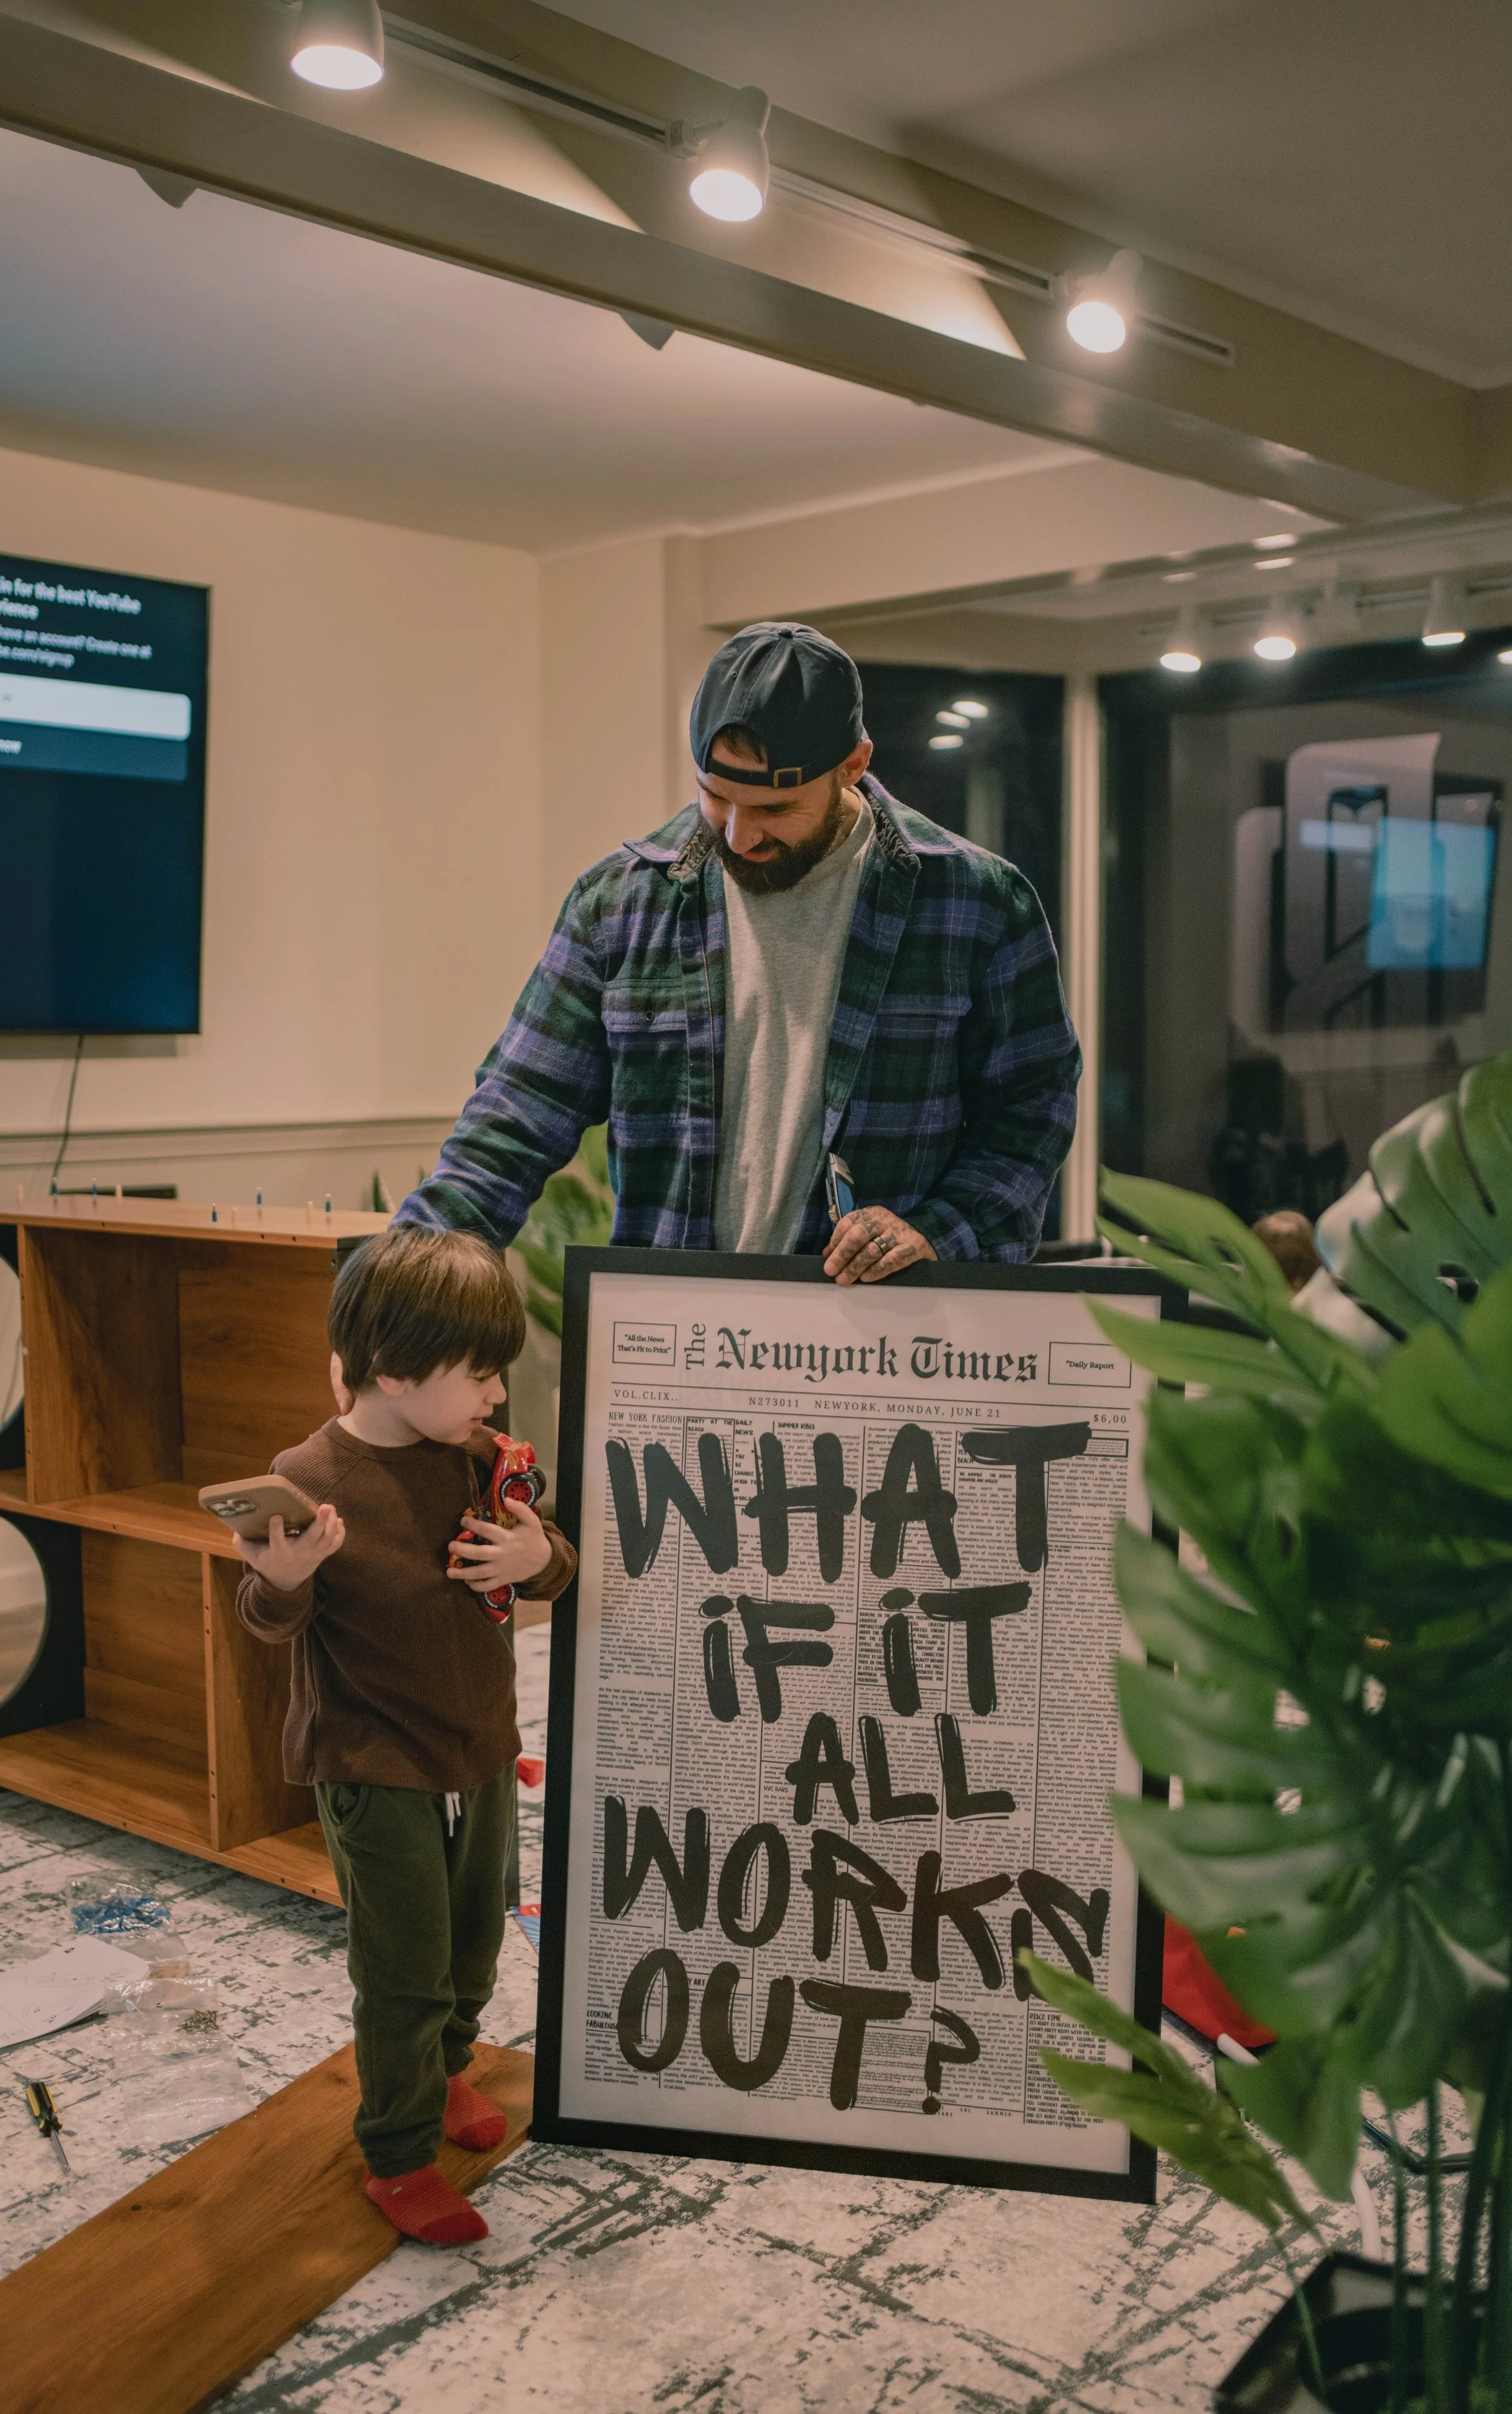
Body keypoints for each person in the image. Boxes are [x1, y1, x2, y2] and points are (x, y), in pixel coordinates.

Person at [396, 622, 1080, 1273]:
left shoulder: (977, 902)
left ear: (853, 765)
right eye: (714, 798)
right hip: (666, 1338)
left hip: (875, 1343)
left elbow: (1032, 1112)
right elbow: (516, 1115)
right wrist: (400, 1288)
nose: (737, 837)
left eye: (774, 811)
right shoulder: (619, 904)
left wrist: (938, 1230)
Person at [233, 1226, 576, 2247]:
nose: (497, 1396)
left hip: (477, 1746)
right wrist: (284, 1580)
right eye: (480, 1375)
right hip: (372, 1765)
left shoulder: (475, 1460)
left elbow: (547, 1560)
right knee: (406, 1966)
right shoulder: (307, 1474)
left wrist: (535, 1553)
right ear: (390, 1370)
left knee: (475, 1948)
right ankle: (397, 2153)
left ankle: (451, 2062)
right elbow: (265, 1616)